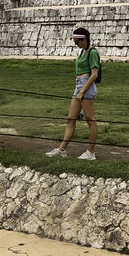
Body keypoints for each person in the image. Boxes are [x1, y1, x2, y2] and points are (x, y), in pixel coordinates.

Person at [44, 27, 100, 160]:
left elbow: (94, 75)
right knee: (71, 118)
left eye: (77, 42)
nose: (76, 44)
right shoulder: (83, 51)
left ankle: (91, 152)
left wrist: (82, 91)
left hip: (86, 86)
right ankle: (62, 149)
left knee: (90, 120)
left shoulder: (92, 53)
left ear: (84, 39)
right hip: (79, 85)